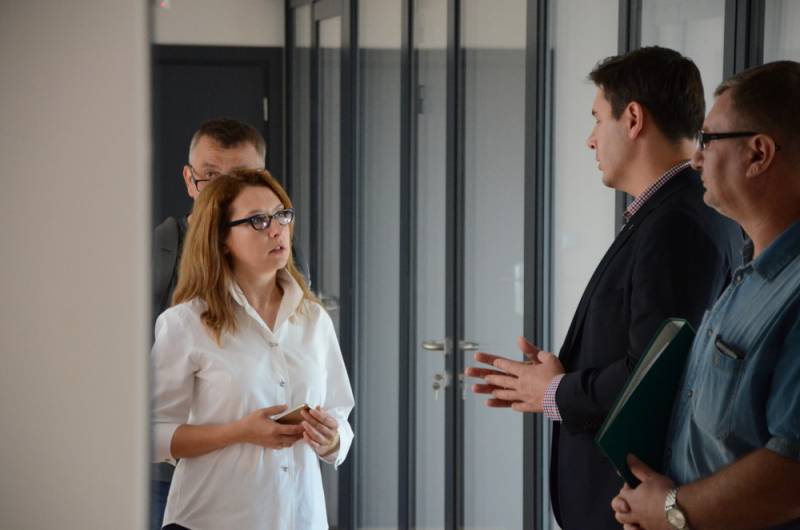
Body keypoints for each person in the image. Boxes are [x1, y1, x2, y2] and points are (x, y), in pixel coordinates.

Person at [466, 47, 742, 529]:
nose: (590, 139)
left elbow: (655, 379)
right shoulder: (673, 212)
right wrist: (559, 378)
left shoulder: (677, 224)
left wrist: (555, 391)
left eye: (597, 119)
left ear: (633, 118)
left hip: (637, 507)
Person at [611, 61, 800, 530]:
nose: (695, 159)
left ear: (758, 154)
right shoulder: (750, 274)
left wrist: (672, 509)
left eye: (708, 140)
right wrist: (656, 498)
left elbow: (791, 475)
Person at [151, 168, 354, 530]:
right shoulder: (185, 323)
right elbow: (152, 435)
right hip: (211, 520)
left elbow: (340, 412)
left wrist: (331, 439)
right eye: (258, 220)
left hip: (301, 519)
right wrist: (238, 432)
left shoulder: (313, 319)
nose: (277, 230)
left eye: (282, 215)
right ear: (221, 239)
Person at [151, 118, 268, 530]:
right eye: (210, 177)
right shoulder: (158, 254)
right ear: (189, 180)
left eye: (240, 178)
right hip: (172, 475)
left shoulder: (282, 254)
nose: (224, 193)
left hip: (260, 474)